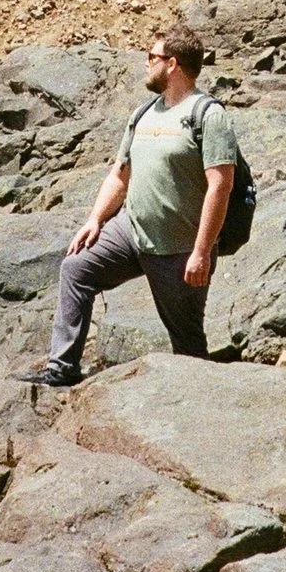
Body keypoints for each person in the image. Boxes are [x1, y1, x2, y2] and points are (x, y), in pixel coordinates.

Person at [20, 27, 238, 388]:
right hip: (130, 232)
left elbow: (221, 185)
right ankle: (62, 368)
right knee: (76, 268)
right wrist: (95, 220)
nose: (146, 63)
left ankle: (200, 403)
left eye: (152, 57)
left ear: (172, 64)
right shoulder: (144, 113)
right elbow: (120, 175)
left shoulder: (208, 115)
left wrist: (202, 252)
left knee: (189, 349)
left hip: (180, 250)